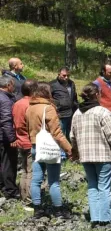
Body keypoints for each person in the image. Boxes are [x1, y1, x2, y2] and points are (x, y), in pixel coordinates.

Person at [70, 84, 111, 227]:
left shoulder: (77, 114)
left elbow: (72, 136)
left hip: (85, 156)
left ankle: (94, 217)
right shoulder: (102, 112)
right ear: (97, 94)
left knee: (92, 186)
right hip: (103, 155)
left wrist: (76, 152)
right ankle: (104, 219)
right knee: (104, 187)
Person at [26, 82, 72, 218]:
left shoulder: (30, 108)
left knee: (36, 180)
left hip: (35, 147)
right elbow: (57, 133)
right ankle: (58, 210)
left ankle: (37, 209)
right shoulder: (48, 108)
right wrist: (69, 149)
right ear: (47, 92)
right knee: (53, 181)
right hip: (48, 148)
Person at [12, 79, 37, 206]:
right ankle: (29, 199)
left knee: (24, 170)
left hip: (20, 140)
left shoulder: (17, 103)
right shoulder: (31, 104)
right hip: (30, 141)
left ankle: (23, 195)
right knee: (31, 171)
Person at [0, 75, 19, 199]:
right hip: (5, 137)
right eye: (13, 85)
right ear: (8, 85)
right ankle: (10, 190)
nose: (14, 87)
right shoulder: (5, 100)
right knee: (9, 164)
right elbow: (6, 120)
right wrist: (12, 138)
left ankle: (2, 186)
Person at [50, 67, 78, 142]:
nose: (66, 78)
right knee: (60, 135)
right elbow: (49, 99)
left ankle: (69, 151)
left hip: (71, 114)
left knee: (70, 135)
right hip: (60, 114)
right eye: (64, 75)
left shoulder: (71, 83)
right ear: (59, 74)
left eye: (68, 76)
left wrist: (76, 109)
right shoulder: (52, 84)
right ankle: (61, 153)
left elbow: (74, 98)